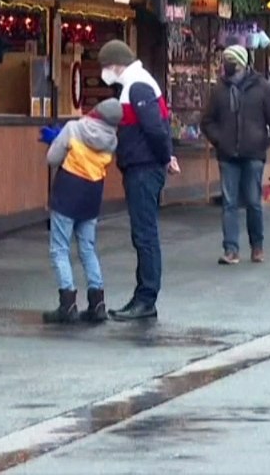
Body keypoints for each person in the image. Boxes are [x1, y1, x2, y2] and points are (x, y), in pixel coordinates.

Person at [97, 40, 177, 322]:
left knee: (144, 234)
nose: (104, 72)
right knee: (143, 233)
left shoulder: (137, 86)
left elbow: (155, 128)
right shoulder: (138, 84)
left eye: (105, 66)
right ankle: (143, 295)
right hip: (143, 165)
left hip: (143, 167)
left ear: (115, 63)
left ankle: (146, 298)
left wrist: (165, 157)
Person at [202, 44, 270, 265]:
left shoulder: (262, 88)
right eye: (225, 61)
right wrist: (220, 139)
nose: (227, 65)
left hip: (253, 152)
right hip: (227, 154)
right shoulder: (219, 89)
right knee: (229, 203)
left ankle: (257, 246)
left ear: (243, 63)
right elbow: (206, 121)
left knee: (253, 201)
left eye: (231, 61)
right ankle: (231, 249)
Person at [40, 99, 122, 324]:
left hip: (67, 193)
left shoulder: (73, 128)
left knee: (59, 249)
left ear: (96, 111)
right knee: (87, 248)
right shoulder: (111, 141)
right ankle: (97, 305)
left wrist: (55, 141)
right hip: (92, 196)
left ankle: (68, 305)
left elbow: (52, 159)